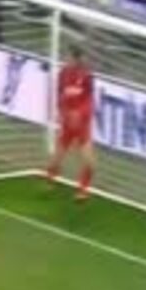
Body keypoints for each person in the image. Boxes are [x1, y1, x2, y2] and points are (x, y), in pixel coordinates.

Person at [46, 45, 95, 201]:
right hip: (67, 123)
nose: (66, 60)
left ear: (76, 59)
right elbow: (60, 95)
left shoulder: (87, 76)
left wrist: (80, 114)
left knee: (89, 162)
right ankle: (50, 177)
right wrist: (63, 114)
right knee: (56, 158)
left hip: (82, 126)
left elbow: (89, 100)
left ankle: (83, 190)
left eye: (68, 57)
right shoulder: (63, 74)